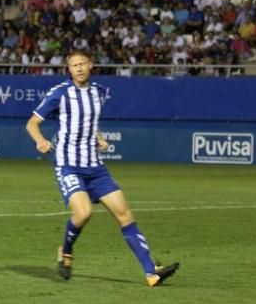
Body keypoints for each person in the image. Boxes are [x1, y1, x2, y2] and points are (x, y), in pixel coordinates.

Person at [25, 50, 179, 287]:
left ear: (91, 65)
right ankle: (65, 252)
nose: (78, 68)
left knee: (124, 214)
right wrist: (40, 140)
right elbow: (32, 123)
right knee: (83, 213)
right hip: (68, 166)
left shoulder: (99, 92)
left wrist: (98, 137)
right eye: (73, 65)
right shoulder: (60, 93)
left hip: (96, 168)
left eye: (82, 64)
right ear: (69, 69)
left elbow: (89, 122)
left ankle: (151, 272)